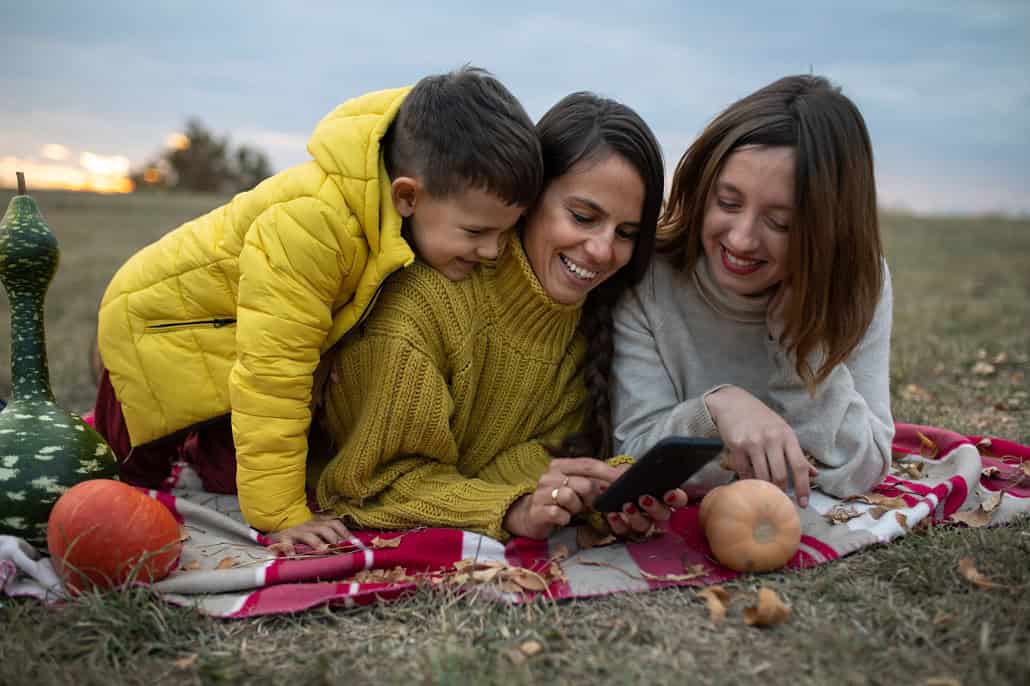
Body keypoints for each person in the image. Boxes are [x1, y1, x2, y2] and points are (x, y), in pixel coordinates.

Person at [92, 66, 543, 539]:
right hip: (157, 337)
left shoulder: (389, 216)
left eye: (504, 233)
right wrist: (282, 517)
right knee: (119, 489)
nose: (493, 251)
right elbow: (274, 370)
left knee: (229, 478)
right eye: (477, 232)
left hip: (231, 347)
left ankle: (204, 444)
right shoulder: (314, 227)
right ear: (408, 196)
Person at [302, 92, 684, 548]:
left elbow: (505, 465)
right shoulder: (421, 307)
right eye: (583, 217)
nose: (603, 251)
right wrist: (514, 509)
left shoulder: (584, 328)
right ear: (528, 200)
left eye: (626, 233)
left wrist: (598, 490)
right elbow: (374, 483)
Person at [610, 74, 894, 510]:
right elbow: (632, 457)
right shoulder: (649, 276)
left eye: (780, 223)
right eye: (728, 202)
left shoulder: (856, 283)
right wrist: (717, 411)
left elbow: (865, 467)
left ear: (829, 231)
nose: (741, 240)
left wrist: (799, 347)